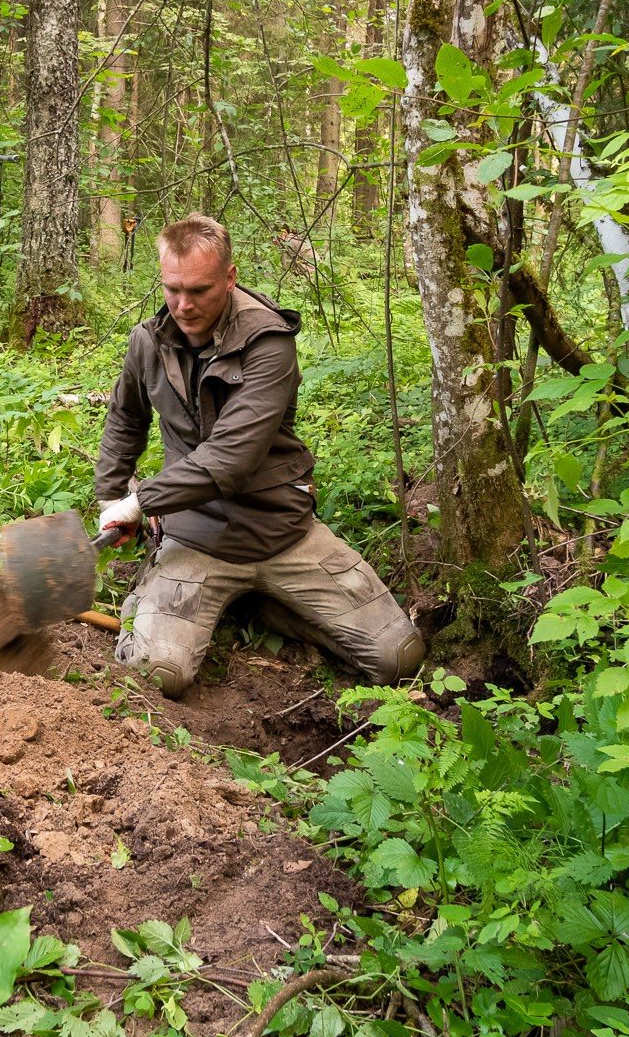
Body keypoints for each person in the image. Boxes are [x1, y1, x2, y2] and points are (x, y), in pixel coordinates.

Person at [94, 214, 424, 697]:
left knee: (398, 657)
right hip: (195, 535)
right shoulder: (149, 340)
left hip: (281, 531)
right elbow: (126, 417)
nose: (184, 306)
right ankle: (173, 601)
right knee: (158, 674)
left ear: (230, 278)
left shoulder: (268, 343)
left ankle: (257, 602)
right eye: (172, 289)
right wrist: (110, 498)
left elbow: (231, 456)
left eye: (200, 290)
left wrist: (141, 501)